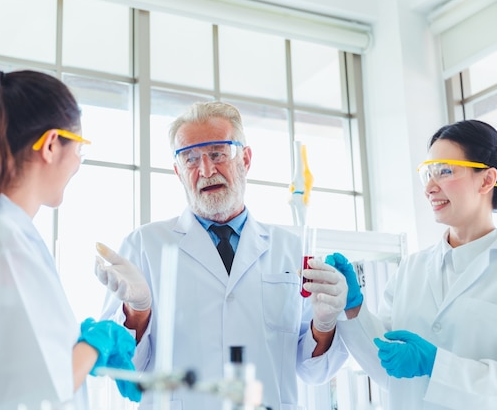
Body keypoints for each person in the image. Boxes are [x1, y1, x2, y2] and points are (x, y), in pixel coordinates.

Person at [96, 100, 349, 410]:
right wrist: (138, 312)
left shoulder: (291, 249)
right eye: (190, 158)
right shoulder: (143, 245)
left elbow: (314, 371)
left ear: (245, 158)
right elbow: (124, 371)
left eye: (217, 153)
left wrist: (324, 324)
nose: (206, 170)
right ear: (178, 171)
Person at [0, 68, 140, 410]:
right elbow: (36, 393)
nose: (78, 164)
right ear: (52, 144)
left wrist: (79, 343)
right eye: (78, 147)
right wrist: (97, 342)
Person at [330, 119, 497, 410]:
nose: (429, 187)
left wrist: (437, 365)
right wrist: (353, 308)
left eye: (444, 171)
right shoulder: (411, 269)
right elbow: (387, 371)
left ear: (485, 180)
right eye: (427, 174)